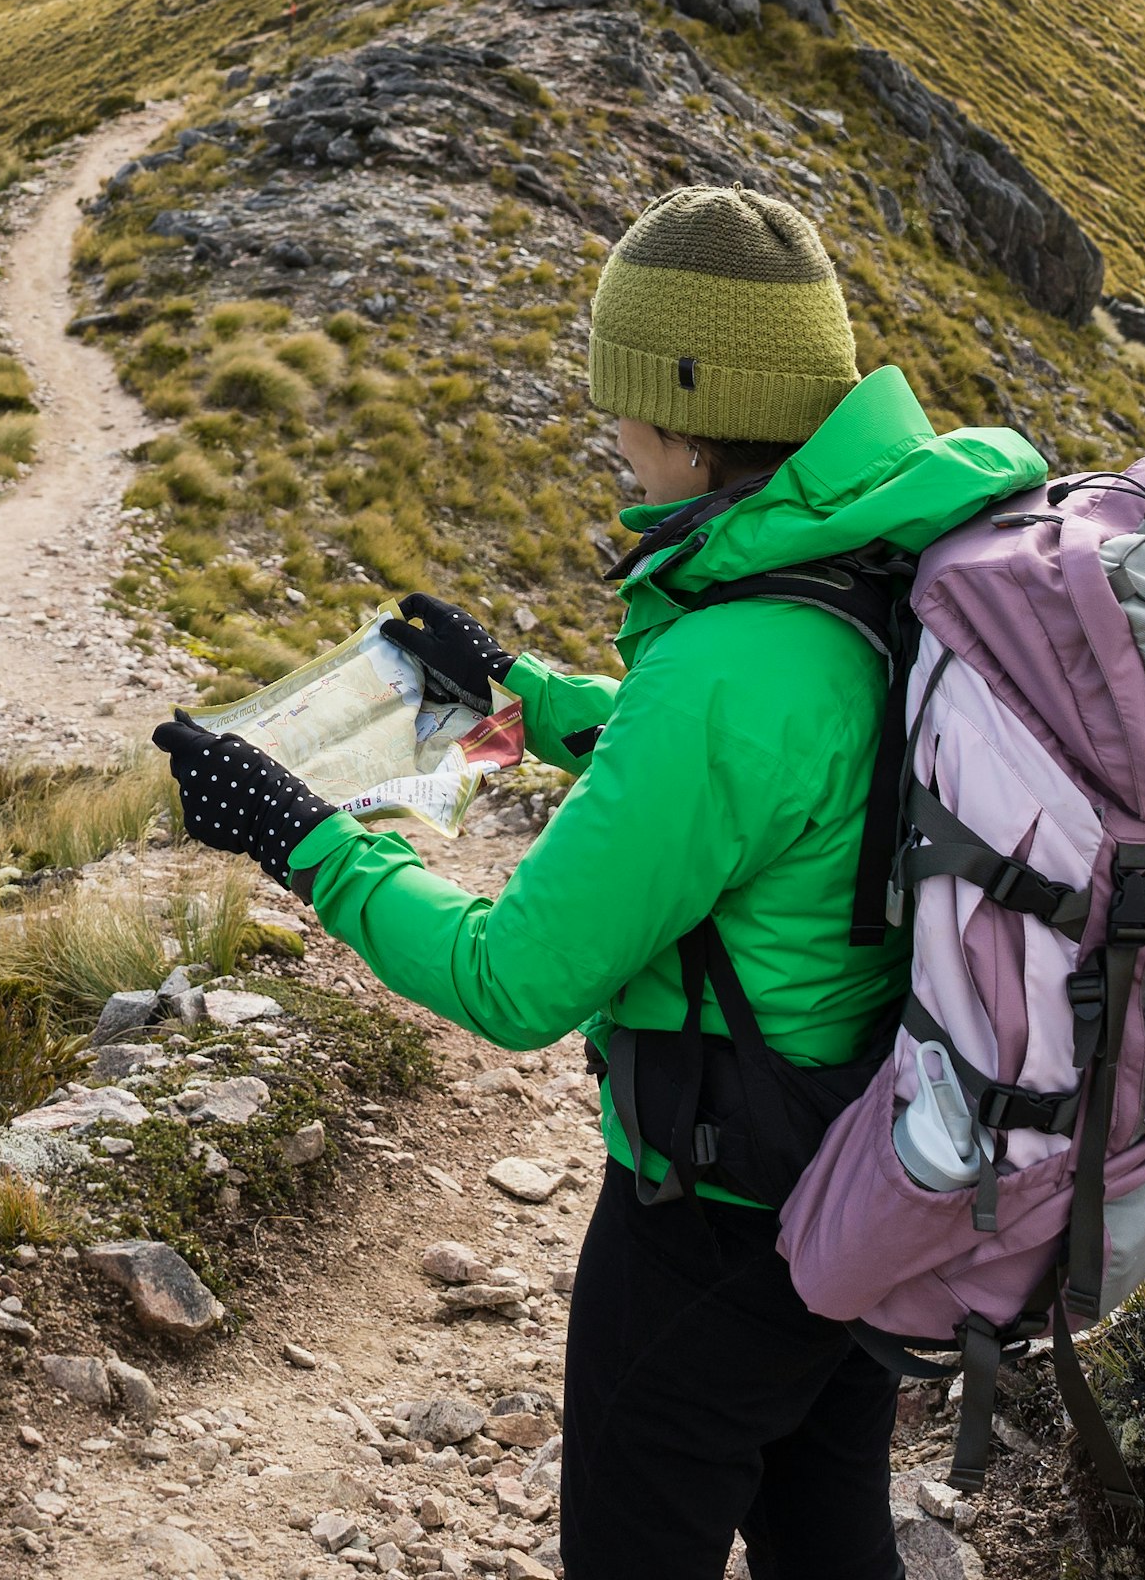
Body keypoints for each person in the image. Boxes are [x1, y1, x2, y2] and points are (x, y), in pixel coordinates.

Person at [157, 186, 1047, 1580]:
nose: (611, 438)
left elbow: (515, 978)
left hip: (719, 1211)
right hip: (873, 1158)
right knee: (828, 1535)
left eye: (622, 407)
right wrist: (525, 691)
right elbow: (774, 774)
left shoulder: (728, 669)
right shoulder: (890, 554)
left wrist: (304, 838)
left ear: (692, 416)